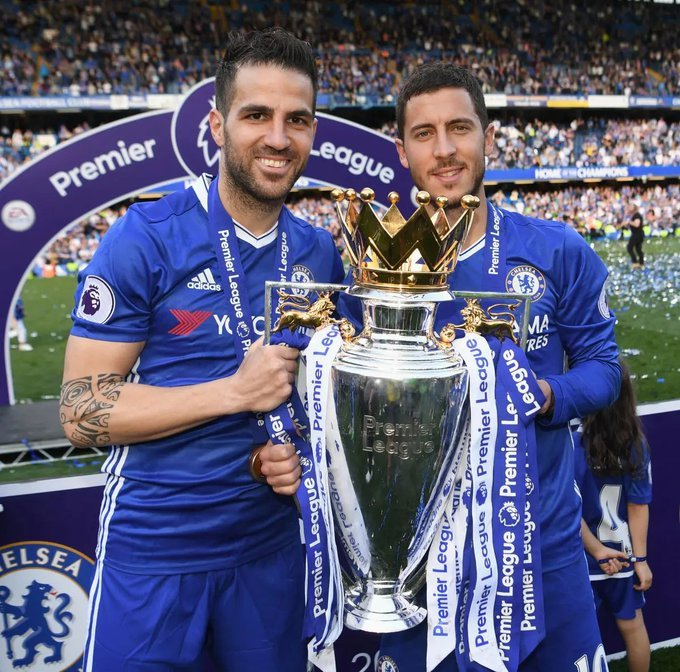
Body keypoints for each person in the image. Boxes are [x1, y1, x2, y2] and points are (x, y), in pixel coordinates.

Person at [281, 62, 619, 671]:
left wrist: (545, 395)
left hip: (539, 549)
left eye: (459, 128)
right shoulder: (368, 277)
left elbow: (603, 368)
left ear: (488, 136)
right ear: (402, 151)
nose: (444, 149)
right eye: (424, 133)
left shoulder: (556, 249)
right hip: (414, 565)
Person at [59, 28, 345, 672]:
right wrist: (234, 393)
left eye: (297, 120)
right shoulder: (146, 236)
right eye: (256, 115)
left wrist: (293, 453)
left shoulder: (319, 253)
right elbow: (79, 411)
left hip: (270, 549)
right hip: (155, 550)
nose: (278, 137)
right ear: (218, 126)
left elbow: (314, 397)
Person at [574, 362, 653, 672]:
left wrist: (594, 549)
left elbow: (568, 507)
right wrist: (640, 560)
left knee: (579, 638)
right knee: (633, 627)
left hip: (581, 556)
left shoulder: (571, 441)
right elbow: (638, 506)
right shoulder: (635, 443)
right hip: (622, 554)